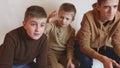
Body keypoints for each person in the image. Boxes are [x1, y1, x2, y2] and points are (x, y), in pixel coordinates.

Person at [74, 0, 120, 68]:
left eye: (115, 6)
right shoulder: (88, 17)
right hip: (81, 46)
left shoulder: (118, 17)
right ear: (98, 6)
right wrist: (103, 59)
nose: (111, 12)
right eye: (107, 7)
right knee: (86, 61)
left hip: (100, 46)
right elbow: (84, 46)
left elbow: (116, 41)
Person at [45, 3, 76, 68]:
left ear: (72, 20)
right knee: (55, 66)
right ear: (58, 15)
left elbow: (70, 47)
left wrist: (70, 59)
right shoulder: (52, 25)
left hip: (63, 53)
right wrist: (48, 20)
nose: (63, 21)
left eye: (67, 19)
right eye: (61, 17)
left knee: (73, 65)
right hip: (51, 52)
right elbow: (43, 30)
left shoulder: (72, 31)